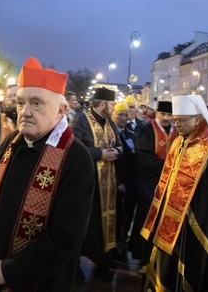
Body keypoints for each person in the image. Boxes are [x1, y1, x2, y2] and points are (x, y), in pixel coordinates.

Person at [0, 57, 95, 292]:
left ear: (61, 110)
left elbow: (66, 237)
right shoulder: (10, 141)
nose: (24, 112)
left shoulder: (76, 158)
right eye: (20, 102)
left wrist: (7, 272)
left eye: (36, 103)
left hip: (40, 283)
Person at [141, 94, 208, 292]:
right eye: (175, 120)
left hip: (192, 222)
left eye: (181, 121)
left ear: (197, 119)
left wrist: (190, 219)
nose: (177, 125)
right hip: (169, 219)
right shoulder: (179, 141)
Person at [70, 86, 123, 282]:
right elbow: (73, 146)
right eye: (112, 103)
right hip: (87, 184)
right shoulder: (80, 120)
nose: (114, 106)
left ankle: (102, 263)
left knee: (103, 226)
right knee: (83, 225)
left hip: (107, 186)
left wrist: (117, 151)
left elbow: (120, 143)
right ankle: (74, 267)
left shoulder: (109, 122)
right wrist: (100, 154)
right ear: (103, 104)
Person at [131, 101, 176, 265]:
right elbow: (143, 157)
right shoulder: (146, 130)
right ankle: (144, 255)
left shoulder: (176, 130)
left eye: (170, 115)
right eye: (163, 114)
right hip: (150, 183)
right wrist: (168, 166)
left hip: (171, 184)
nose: (166, 118)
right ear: (157, 114)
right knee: (147, 217)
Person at [110, 102, 138, 262]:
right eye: (120, 114)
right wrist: (118, 181)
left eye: (125, 115)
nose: (123, 118)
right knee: (117, 218)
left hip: (131, 185)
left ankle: (122, 244)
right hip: (116, 185)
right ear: (113, 115)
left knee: (127, 217)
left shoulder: (130, 133)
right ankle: (114, 248)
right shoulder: (109, 134)